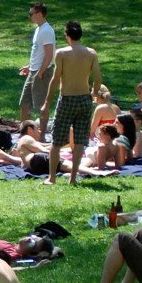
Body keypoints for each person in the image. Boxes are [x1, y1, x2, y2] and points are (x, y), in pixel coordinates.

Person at [41, 20, 103, 185]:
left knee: (56, 141)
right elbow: (98, 78)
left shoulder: (61, 53)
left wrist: (47, 102)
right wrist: (95, 93)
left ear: (66, 36)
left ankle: (52, 178)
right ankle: (73, 178)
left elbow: (55, 80)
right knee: (80, 140)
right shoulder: (91, 53)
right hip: (84, 99)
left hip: (67, 99)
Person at [18, 2, 55, 124]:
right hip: (34, 71)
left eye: (31, 13)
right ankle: (25, 133)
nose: (30, 16)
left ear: (39, 13)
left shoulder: (47, 31)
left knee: (41, 106)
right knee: (24, 103)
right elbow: (38, 52)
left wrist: (41, 71)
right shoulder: (38, 29)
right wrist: (30, 67)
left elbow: (49, 54)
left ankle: (42, 136)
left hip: (41, 72)